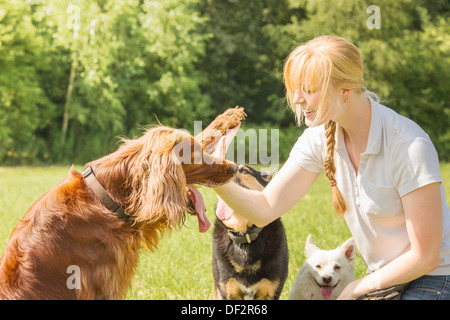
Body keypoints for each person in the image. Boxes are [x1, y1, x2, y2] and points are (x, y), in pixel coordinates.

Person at [213, 35, 450, 300]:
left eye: (309, 90)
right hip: (383, 281)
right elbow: (265, 208)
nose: (298, 99)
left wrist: (355, 288)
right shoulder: (318, 138)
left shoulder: (408, 145)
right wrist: (213, 175)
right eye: (295, 89)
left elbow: (426, 256)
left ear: (345, 91)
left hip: (437, 278)